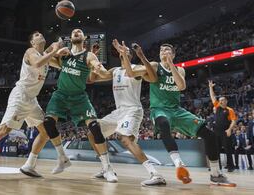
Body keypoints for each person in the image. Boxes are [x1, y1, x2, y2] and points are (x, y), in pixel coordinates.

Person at [0, 31, 68, 180]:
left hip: (32, 100)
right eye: (36, 35)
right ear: (33, 42)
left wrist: (61, 54)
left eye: (40, 34)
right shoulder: (30, 52)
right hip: (20, 96)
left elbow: (61, 66)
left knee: (46, 131)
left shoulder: (46, 57)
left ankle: (29, 165)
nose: (40, 35)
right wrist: (54, 50)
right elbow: (37, 63)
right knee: (3, 130)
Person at [37, 29, 118, 182]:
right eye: (74, 31)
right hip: (60, 95)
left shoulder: (89, 55)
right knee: (48, 123)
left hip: (79, 98)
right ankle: (62, 158)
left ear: (84, 38)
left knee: (94, 127)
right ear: (70, 37)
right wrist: (54, 50)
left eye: (79, 31)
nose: (76, 32)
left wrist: (100, 69)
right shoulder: (64, 55)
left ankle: (107, 168)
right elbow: (43, 58)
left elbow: (100, 70)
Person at [149, 44, 235, 186]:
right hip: (160, 109)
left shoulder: (180, 69)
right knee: (163, 123)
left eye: (167, 50)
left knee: (210, 135)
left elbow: (181, 86)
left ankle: (215, 174)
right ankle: (179, 164)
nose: (163, 51)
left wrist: (170, 64)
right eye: (161, 50)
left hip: (177, 110)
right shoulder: (155, 67)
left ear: (173, 54)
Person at [88, 40, 166, 186]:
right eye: (123, 50)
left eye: (127, 50)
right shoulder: (115, 71)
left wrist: (137, 55)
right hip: (118, 112)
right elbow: (92, 79)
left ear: (130, 55)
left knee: (125, 140)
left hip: (133, 110)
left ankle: (155, 174)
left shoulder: (137, 69)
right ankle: (106, 168)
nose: (125, 51)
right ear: (119, 54)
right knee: (92, 132)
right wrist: (93, 58)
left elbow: (150, 76)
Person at [209, 80, 236, 172]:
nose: (220, 101)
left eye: (222, 100)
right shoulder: (217, 107)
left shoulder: (230, 110)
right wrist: (210, 87)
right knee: (216, 150)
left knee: (228, 149)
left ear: (226, 101)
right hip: (216, 132)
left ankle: (230, 167)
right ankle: (218, 167)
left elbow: (233, 121)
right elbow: (212, 97)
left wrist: (229, 129)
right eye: (220, 100)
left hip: (225, 132)